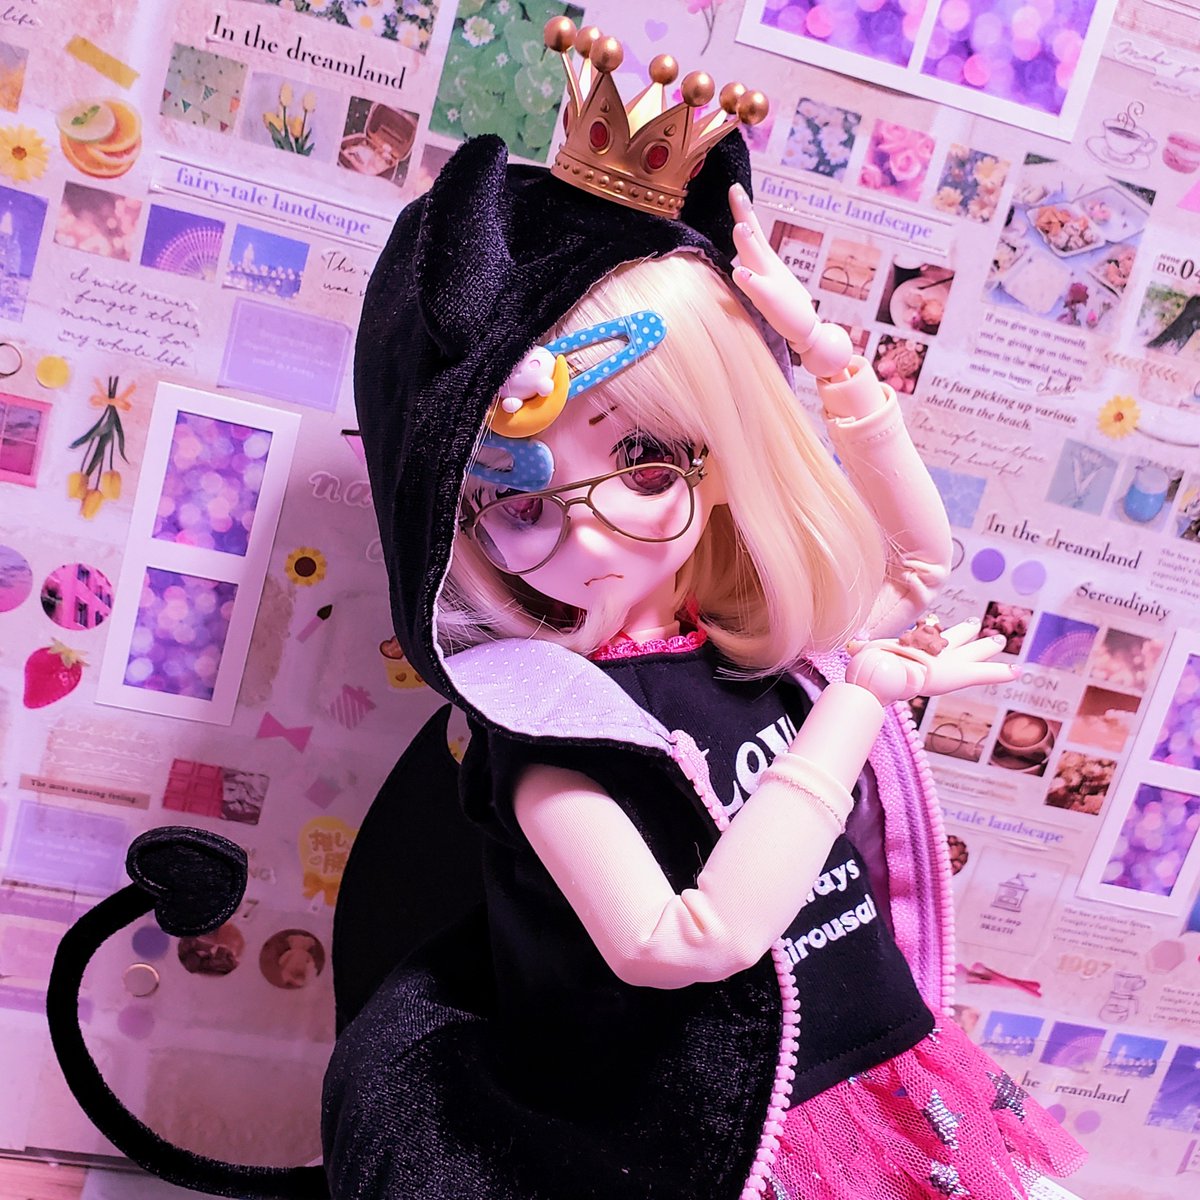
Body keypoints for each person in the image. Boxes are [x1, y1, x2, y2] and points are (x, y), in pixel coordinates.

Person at [324, 20, 1086, 1200]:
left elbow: (917, 564)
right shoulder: (550, 734)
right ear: (450, 523)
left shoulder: (730, 639)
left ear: (721, 460)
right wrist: (858, 705)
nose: (589, 538)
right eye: (514, 502)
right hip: (732, 1134)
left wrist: (828, 358)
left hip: (881, 1062)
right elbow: (684, 941)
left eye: (645, 466)